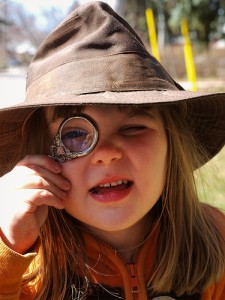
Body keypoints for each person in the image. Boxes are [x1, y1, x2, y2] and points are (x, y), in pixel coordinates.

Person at [0, 1, 225, 300]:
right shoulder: (23, 268)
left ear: (173, 143)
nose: (106, 154)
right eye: (76, 134)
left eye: (133, 128)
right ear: (39, 155)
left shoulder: (216, 240)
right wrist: (8, 247)